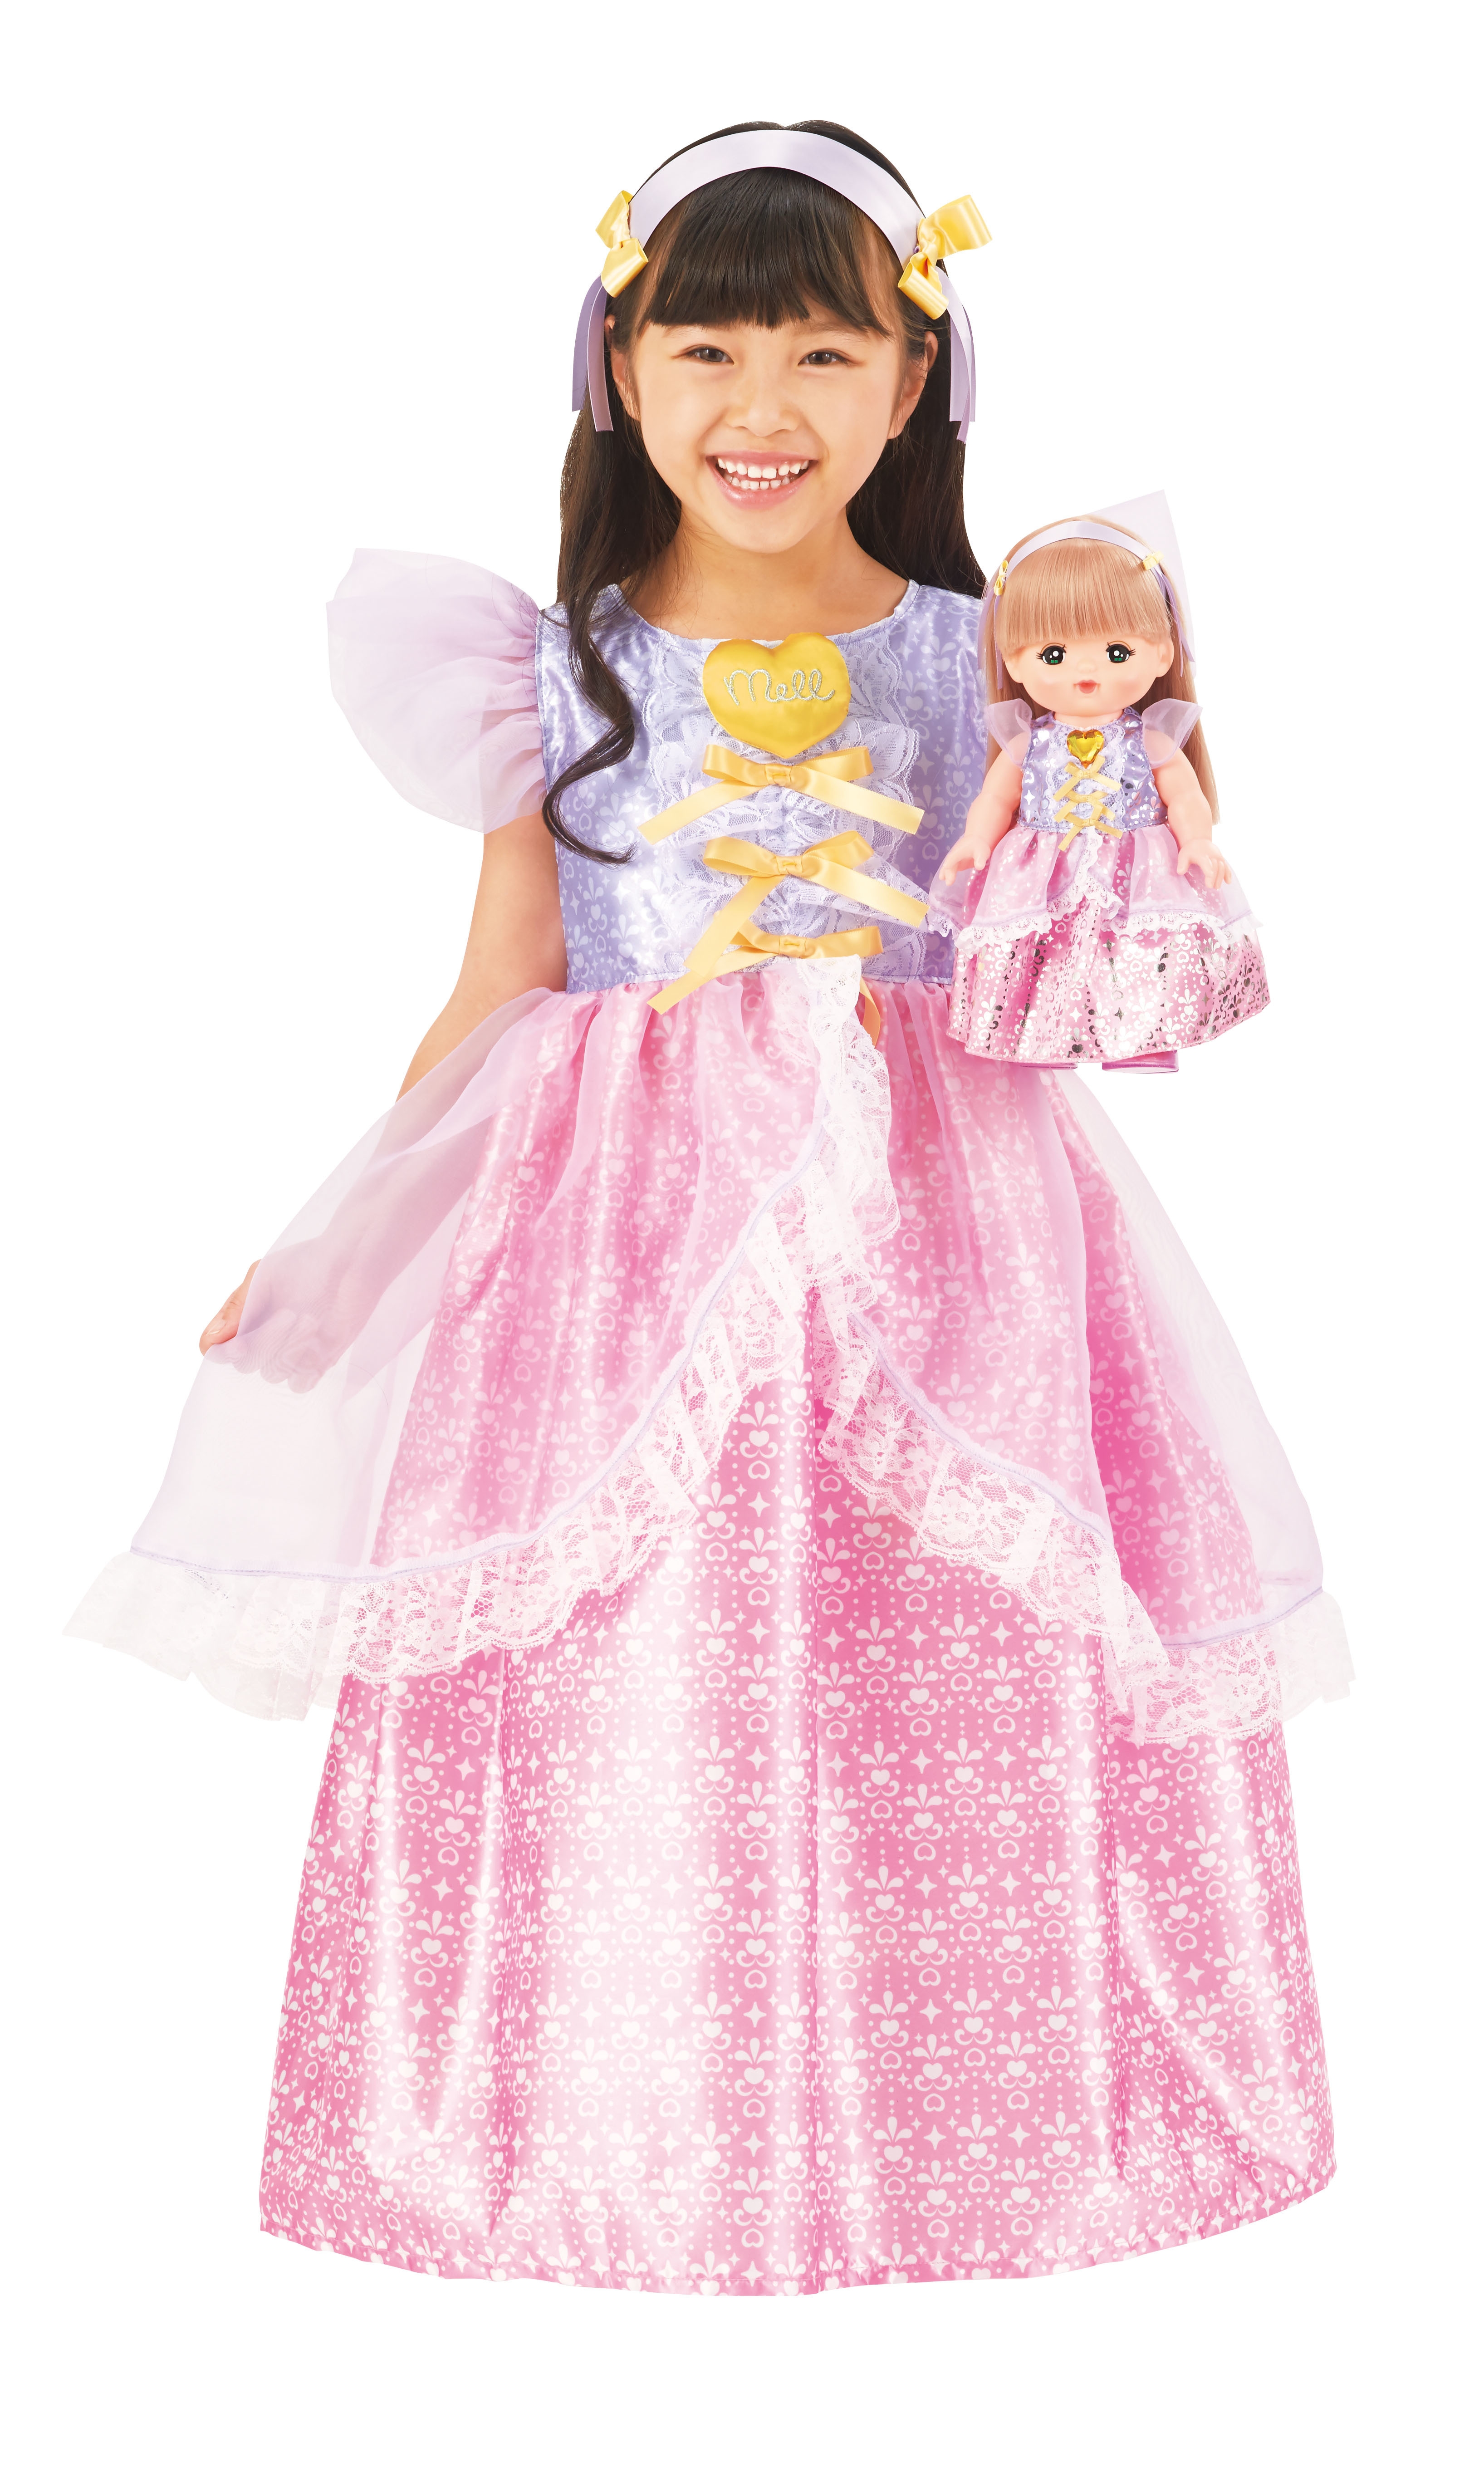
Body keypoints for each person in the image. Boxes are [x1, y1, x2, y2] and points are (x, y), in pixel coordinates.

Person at [68, 119, 1350, 2293]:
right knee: (617, 1675)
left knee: (961, 1667)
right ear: (619, 371)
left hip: (954, 1232)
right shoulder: (554, 668)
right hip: (611, 1254)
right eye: (708, 350)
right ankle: (616, 2149)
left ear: (915, 382)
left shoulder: (998, 655)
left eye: (823, 354)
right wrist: (344, 1237)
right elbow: (502, 983)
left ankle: (989, 2144)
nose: (763, 407)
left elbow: (1099, 919)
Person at [940, 509, 1268, 1070]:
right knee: (1046, 948)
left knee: (1139, 946)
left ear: (1162, 653)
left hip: (1139, 868)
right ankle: (1043, 1039)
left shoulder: (1150, 739)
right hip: (1040, 870)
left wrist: (1196, 840)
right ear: (1014, 661)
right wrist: (977, 839)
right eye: (1054, 654)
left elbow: (1184, 797)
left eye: (1117, 652)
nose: (1086, 670)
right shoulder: (1027, 743)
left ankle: (1146, 1040)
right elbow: (996, 799)